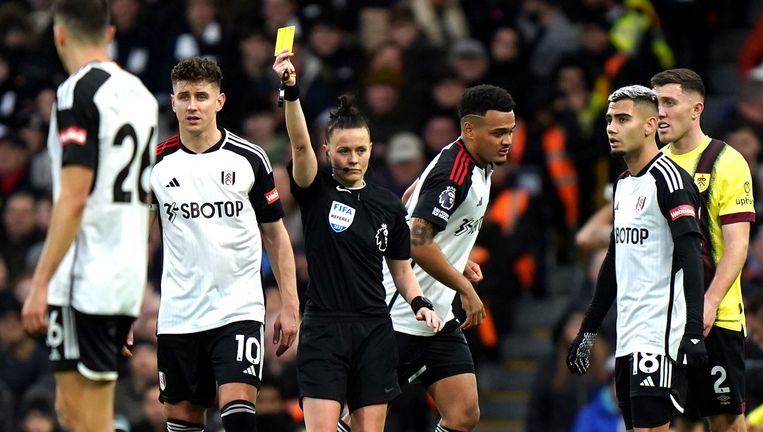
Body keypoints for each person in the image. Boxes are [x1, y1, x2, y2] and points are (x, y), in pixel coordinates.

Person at [273, 50, 443, 432]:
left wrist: (419, 302)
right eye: (344, 150)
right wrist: (291, 91)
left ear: (371, 149)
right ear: (327, 151)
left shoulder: (387, 205)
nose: (353, 158)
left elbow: (401, 269)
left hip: (373, 330)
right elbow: (299, 143)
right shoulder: (315, 191)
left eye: (360, 150)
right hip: (323, 328)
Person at [20, 1, 159, 430]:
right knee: (69, 412)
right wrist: (128, 291)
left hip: (84, 276)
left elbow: (74, 197)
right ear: (109, 34)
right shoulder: (141, 94)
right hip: (119, 274)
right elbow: (145, 199)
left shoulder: (76, 91)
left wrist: (40, 282)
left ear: (60, 33)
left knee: (90, 421)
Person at [150, 56, 300, 432]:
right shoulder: (156, 164)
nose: (192, 105)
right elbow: (142, 238)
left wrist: (290, 305)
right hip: (178, 314)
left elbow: (276, 234)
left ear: (219, 101)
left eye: (201, 96)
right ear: (172, 102)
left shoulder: (250, 158)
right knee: (184, 423)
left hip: (238, 309)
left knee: (238, 416)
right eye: (184, 96)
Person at [374, 83, 515, 432]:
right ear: (469, 129)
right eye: (498, 132)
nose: (507, 140)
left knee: (464, 413)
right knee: (363, 419)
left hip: (437, 317)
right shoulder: (455, 170)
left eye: (510, 131)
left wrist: (456, 253)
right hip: (399, 315)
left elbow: (411, 197)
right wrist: (465, 288)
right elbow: (418, 243)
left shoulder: (478, 162)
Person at [567, 85, 708, 432]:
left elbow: (693, 256)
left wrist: (693, 331)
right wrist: (588, 331)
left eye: (622, 119)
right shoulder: (623, 185)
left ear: (649, 125)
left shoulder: (670, 180)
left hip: (659, 334)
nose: (611, 128)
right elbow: (615, 262)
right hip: (628, 335)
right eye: (609, 120)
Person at [651, 68, 756, 432]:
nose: (659, 112)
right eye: (655, 103)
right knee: (663, 422)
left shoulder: (727, 162)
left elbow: (737, 246)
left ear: (696, 109)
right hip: (660, 321)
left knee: (725, 421)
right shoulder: (651, 167)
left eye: (669, 102)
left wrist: (707, 304)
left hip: (717, 317)